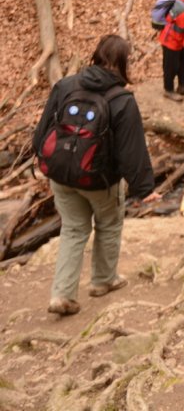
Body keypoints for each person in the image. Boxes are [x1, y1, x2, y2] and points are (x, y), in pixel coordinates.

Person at [32, 35, 161, 316]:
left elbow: (42, 132)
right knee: (109, 225)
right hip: (99, 181)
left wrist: (45, 161)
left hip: (61, 176)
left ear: (96, 56)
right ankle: (103, 280)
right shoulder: (122, 100)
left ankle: (62, 294)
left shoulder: (66, 85)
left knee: (73, 229)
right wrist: (144, 188)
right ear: (123, 63)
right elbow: (132, 150)